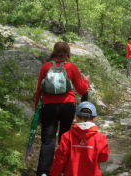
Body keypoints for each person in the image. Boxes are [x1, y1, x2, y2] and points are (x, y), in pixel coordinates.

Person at [35, 42, 90, 176]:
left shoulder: (45, 67)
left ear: (54, 51)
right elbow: (82, 89)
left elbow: (39, 92)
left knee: (48, 140)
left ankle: (43, 172)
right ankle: (64, 169)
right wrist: (86, 80)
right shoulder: (71, 67)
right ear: (68, 52)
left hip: (48, 106)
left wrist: (38, 112)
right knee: (65, 137)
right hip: (67, 106)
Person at [49, 101, 110, 176]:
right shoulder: (101, 138)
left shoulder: (66, 136)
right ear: (94, 118)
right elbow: (103, 158)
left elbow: (60, 160)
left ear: (76, 117)